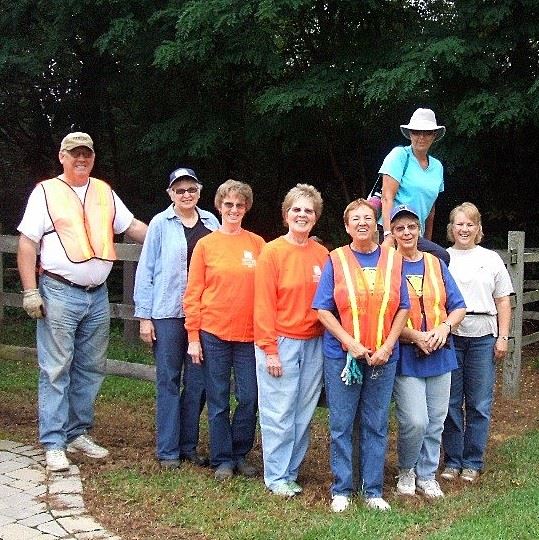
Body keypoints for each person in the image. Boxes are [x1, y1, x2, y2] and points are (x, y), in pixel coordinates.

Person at [17, 132, 147, 472]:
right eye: (74, 154)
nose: (81, 159)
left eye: (86, 154)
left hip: (97, 295)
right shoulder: (46, 191)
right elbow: (28, 243)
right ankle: (54, 441)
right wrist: (31, 291)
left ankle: (77, 432)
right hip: (59, 291)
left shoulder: (103, 191)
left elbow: (131, 226)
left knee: (90, 366)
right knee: (56, 367)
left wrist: (171, 236)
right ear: (62, 156)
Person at [312, 198, 410, 513]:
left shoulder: (394, 260)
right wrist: (349, 343)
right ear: (347, 225)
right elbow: (322, 310)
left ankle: (372, 491)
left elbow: (403, 307)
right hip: (344, 357)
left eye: (368, 217)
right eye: (356, 219)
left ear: (376, 223)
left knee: (376, 423)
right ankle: (341, 489)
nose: (362, 223)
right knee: (341, 422)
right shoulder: (336, 259)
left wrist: (388, 346)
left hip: (383, 356)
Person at [134, 167, 219, 469]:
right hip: (167, 313)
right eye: (179, 190)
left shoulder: (212, 222)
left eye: (191, 189)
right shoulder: (160, 223)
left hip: (203, 315)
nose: (186, 195)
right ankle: (167, 449)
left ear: (199, 191)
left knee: (198, 383)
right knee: (168, 380)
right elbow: (146, 270)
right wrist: (145, 317)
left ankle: (188, 446)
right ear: (170, 193)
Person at [183, 179, 265, 480]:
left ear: (246, 208)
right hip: (213, 332)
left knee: (249, 397)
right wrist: (193, 336)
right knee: (217, 398)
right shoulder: (205, 245)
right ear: (219, 206)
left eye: (239, 205)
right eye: (228, 204)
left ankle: (240, 453)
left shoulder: (257, 244)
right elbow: (192, 293)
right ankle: (221, 459)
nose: (233, 209)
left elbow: (270, 288)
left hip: (249, 335)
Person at [254, 184, 329, 497]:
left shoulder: (322, 254)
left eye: (308, 211)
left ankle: (290, 472)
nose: (302, 215)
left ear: (315, 218)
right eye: (296, 209)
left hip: (314, 343)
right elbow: (263, 304)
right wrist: (269, 350)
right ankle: (275, 476)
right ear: (286, 215)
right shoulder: (272, 252)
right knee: (278, 412)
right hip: (281, 343)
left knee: (303, 412)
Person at [390, 205, 466, 499]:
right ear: (393, 233)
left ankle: (427, 473)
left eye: (411, 226)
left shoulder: (436, 264)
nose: (406, 232)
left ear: (419, 230)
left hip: (440, 351)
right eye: (400, 228)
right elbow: (384, 315)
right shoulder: (387, 266)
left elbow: (458, 305)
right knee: (415, 420)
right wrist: (415, 336)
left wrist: (444, 328)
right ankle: (407, 469)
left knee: (436, 419)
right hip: (407, 354)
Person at [441, 202, 513, 482]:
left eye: (470, 224)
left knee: (479, 403)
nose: (464, 229)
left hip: (483, 336)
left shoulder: (491, 258)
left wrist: (503, 336)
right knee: (450, 402)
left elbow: (503, 300)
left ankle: (473, 460)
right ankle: (453, 460)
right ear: (452, 228)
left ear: (478, 228)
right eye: (459, 224)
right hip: (452, 336)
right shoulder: (442, 258)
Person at [378, 108, 450, 264]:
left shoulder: (437, 166)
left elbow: (431, 208)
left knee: (439, 259)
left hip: (415, 233)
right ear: (410, 134)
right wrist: (388, 235)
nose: (421, 137)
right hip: (393, 230)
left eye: (427, 132)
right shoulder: (399, 155)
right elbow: (387, 196)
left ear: (434, 135)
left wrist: (427, 241)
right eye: (416, 132)